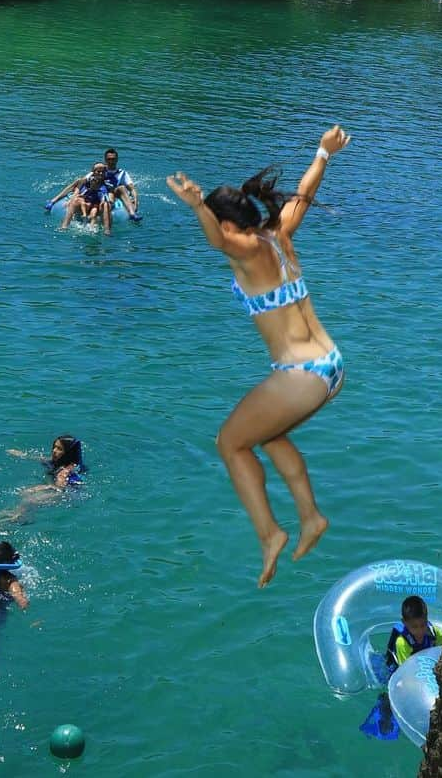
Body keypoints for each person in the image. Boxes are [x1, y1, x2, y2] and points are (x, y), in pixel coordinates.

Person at [166, 125, 351, 588]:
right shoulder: (278, 232)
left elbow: (218, 242)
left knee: (230, 443)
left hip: (300, 374)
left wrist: (195, 207)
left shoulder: (247, 248)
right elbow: (304, 194)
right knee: (268, 435)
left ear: (228, 223)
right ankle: (310, 517)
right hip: (330, 365)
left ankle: (270, 533)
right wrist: (323, 153)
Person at [0, 436, 87, 523]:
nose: (54, 451)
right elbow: (43, 460)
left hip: (70, 494)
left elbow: (60, 488)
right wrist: (22, 455)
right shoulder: (64, 462)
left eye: (60, 449)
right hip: (65, 490)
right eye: (54, 447)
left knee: (29, 500)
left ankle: (17, 519)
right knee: (25, 496)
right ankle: (15, 515)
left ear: (68, 453)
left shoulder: (64, 472)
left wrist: (41, 487)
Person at [384, 595, 442, 671]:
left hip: (422, 663)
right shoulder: (402, 643)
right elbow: (406, 671)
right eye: (414, 627)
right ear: (404, 622)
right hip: (397, 671)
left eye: (423, 625)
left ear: (427, 619)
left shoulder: (433, 632)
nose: (420, 631)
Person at [59, 164, 112, 233]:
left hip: (96, 206)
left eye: (103, 172)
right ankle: (64, 226)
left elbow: (104, 198)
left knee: (104, 205)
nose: (101, 173)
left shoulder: (104, 186)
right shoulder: (87, 182)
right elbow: (80, 194)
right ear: (93, 172)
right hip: (86, 204)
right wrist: (71, 200)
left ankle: (106, 230)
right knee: (76, 200)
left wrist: (104, 203)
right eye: (98, 171)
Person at [102, 148, 141, 221]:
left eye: (113, 159)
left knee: (122, 187)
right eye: (109, 159)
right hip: (102, 193)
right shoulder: (100, 170)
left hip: (115, 193)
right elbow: (86, 180)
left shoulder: (122, 173)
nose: (111, 161)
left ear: (117, 159)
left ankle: (132, 214)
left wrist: (136, 202)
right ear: (105, 160)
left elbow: (132, 189)